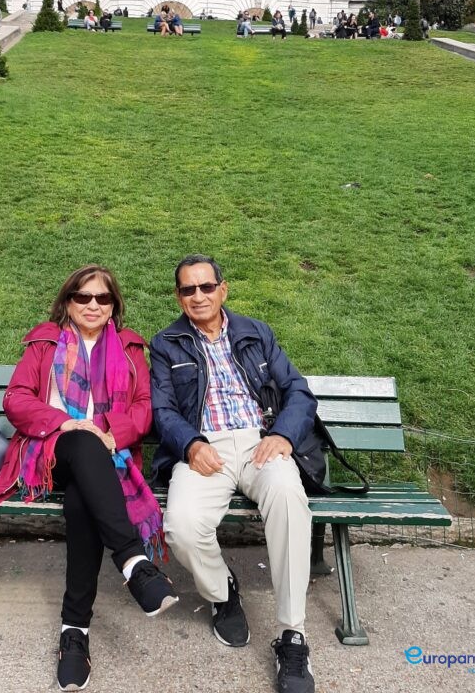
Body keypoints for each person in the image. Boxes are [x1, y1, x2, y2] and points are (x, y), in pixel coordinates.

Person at [0, 265, 178, 692]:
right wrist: (64, 422)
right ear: (68, 302)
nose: (93, 305)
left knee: (83, 499)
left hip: (107, 455)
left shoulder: (130, 349)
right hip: (49, 452)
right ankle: (134, 561)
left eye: (102, 298)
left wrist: (111, 432)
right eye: (83, 297)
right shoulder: (45, 343)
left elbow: (145, 407)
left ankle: (74, 632)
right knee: (81, 442)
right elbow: (16, 398)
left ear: (113, 305)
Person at [149, 256, 317, 693]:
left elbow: (297, 390)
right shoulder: (166, 343)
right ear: (179, 297)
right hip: (206, 449)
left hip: (261, 442)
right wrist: (190, 444)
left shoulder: (255, 332)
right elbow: (162, 410)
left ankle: (292, 634)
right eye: (189, 290)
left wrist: (282, 434)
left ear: (223, 290)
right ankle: (222, 592)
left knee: (287, 500)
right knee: (182, 527)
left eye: (206, 287)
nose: (199, 296)